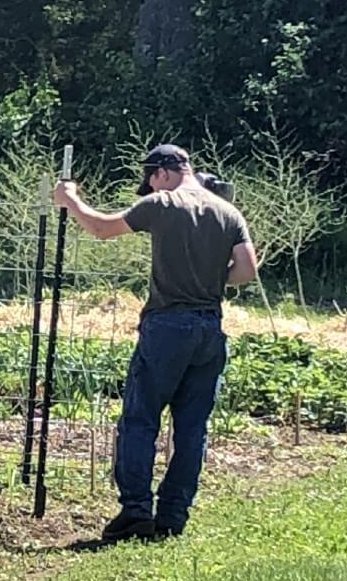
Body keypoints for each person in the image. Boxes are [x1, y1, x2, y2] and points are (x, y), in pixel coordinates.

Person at [52, 144, 257, 542]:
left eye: (149, 179)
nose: (149, 186)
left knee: (140, 419)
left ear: (162, 172)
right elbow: (247, 270)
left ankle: (135, 511)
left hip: (166, 326)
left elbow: (101, 228)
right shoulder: (229, 212)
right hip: (209, 327)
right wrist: (211, 280)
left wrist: (70, 199)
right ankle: (173, 516)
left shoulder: (163, 204)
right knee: (192, 427)